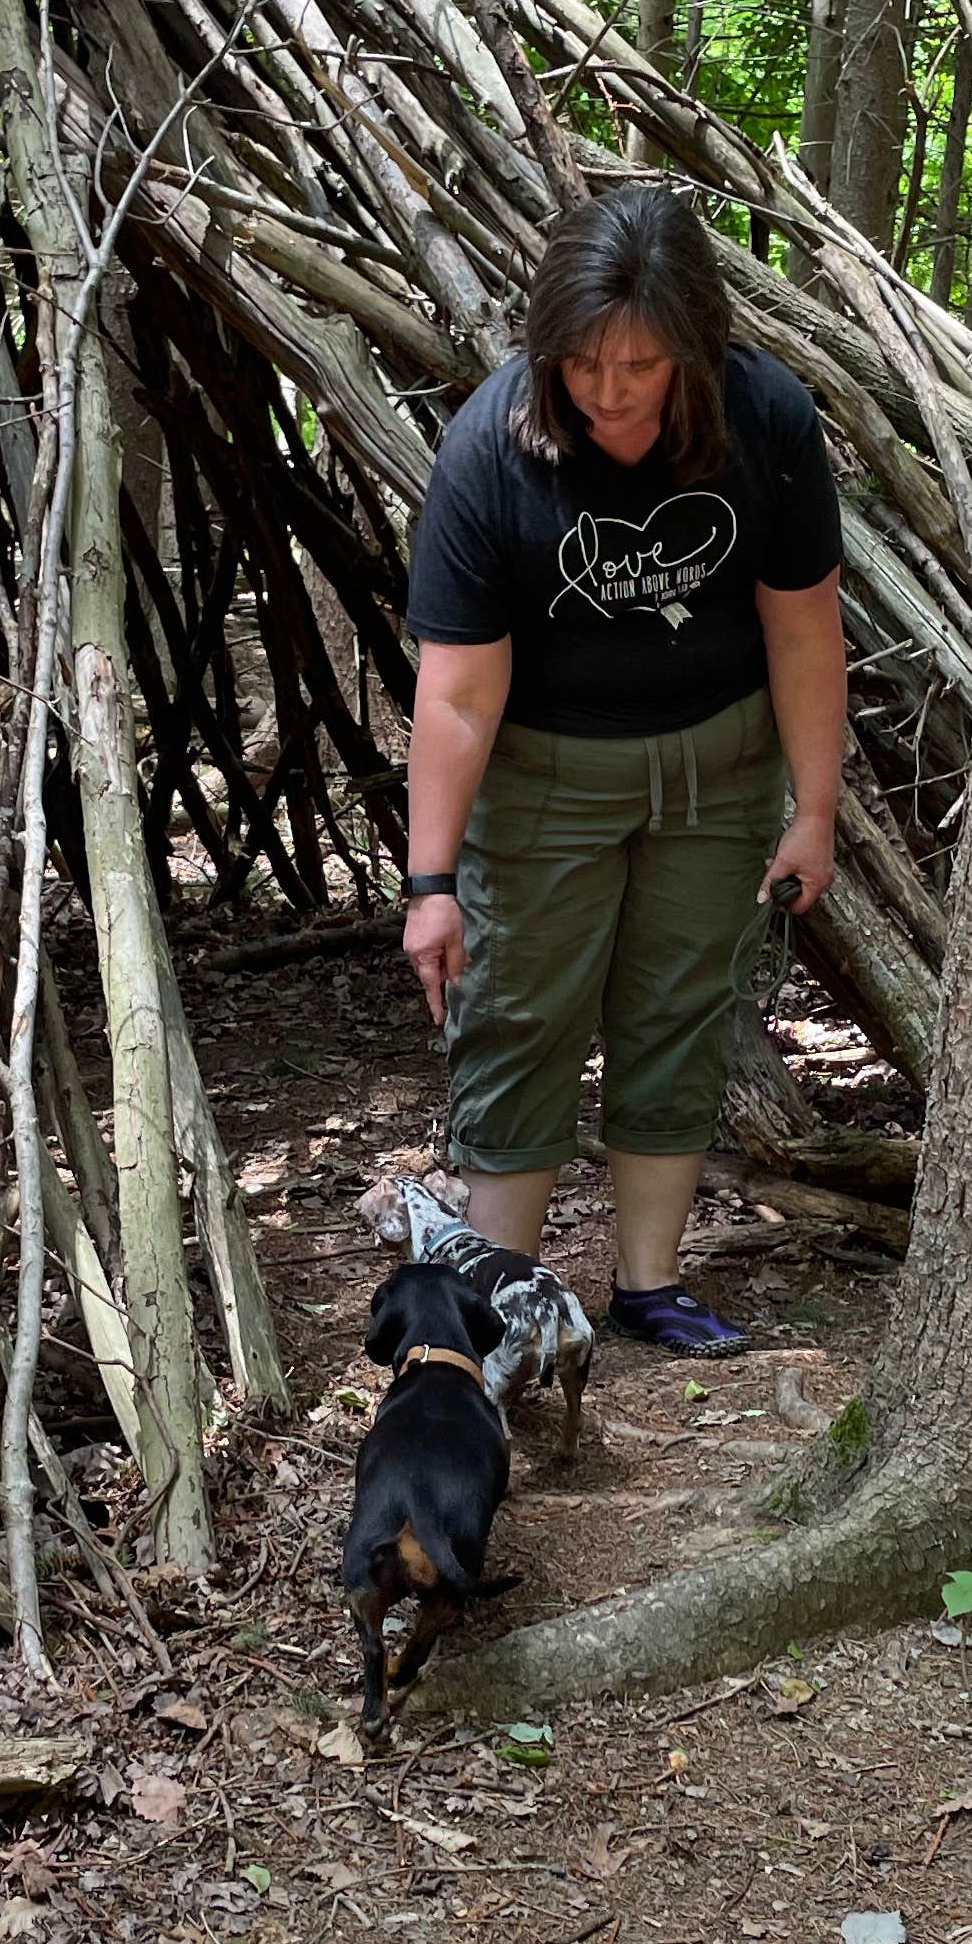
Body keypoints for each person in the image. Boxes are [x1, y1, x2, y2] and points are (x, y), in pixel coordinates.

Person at [399, 186, 848, 1359]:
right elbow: (456, 692)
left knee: (678, 1013)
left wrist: (813, 809)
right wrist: (430, 881)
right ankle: (506, 1299)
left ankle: (648, 1284)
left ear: (694, 350)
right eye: (585, 362)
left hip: (717, 770)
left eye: (641, 364)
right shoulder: (492, 449)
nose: (609, 390)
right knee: (520, 1016)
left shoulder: (767, 420)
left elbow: (803, 629)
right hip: (546, 781)